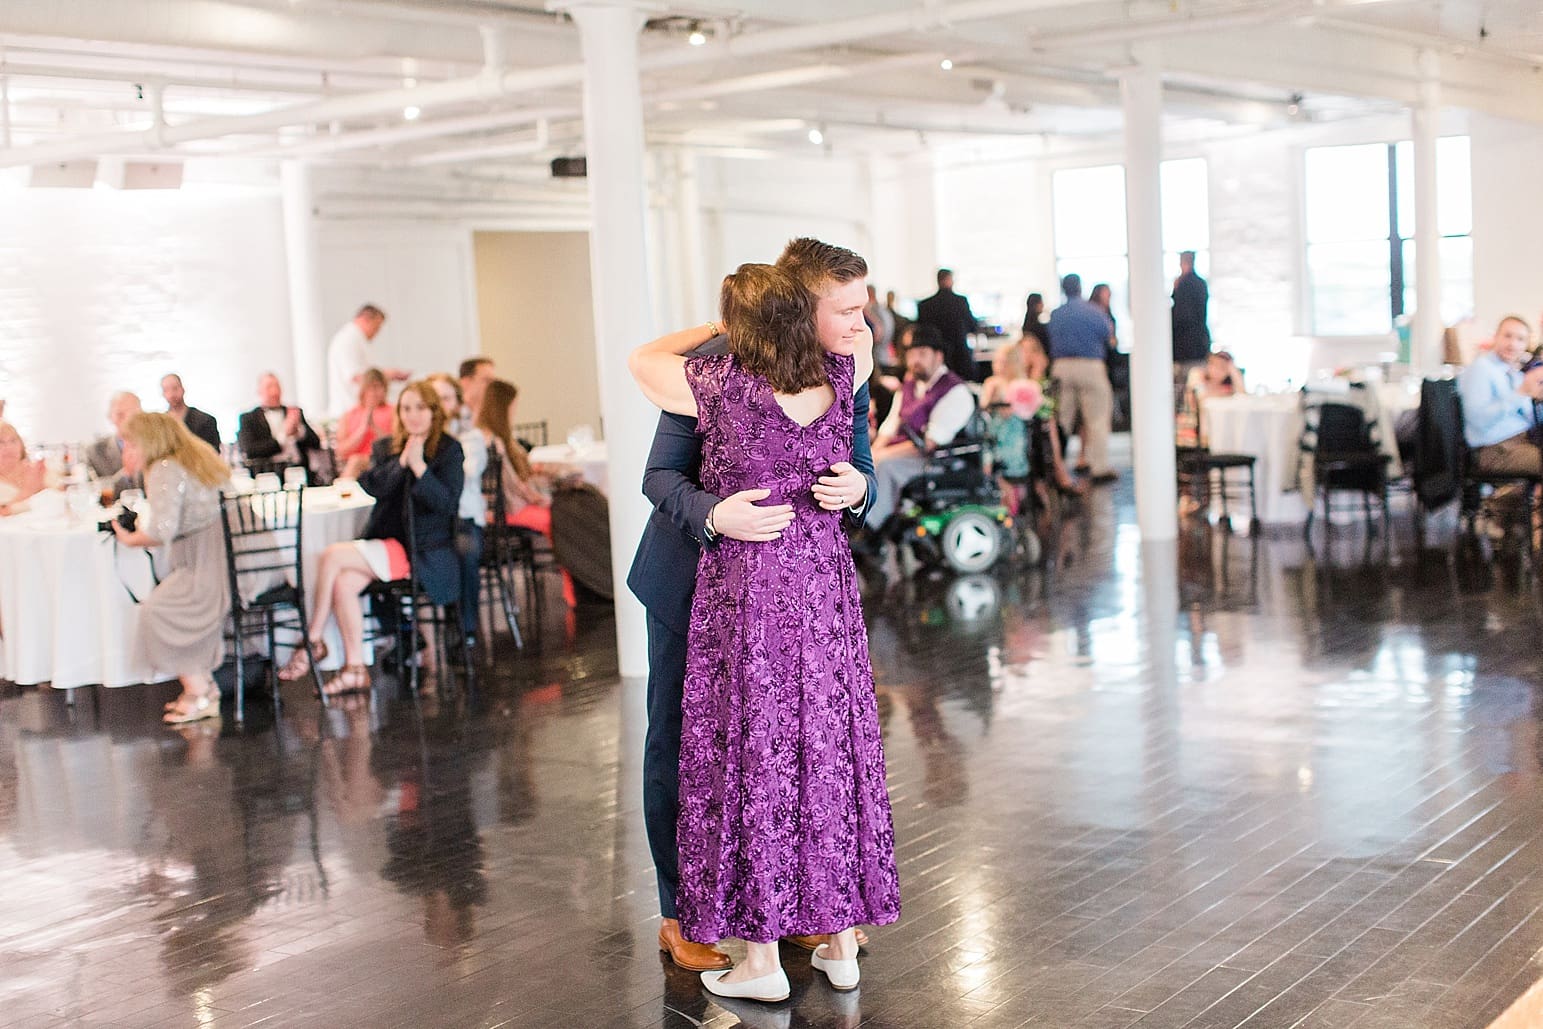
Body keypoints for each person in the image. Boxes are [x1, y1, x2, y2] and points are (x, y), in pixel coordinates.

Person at [629, 262, 899, 1003]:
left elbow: (861, 459)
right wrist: (716, 514)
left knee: (805, 744)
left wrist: (860, 489)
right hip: (695, 581)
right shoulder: (710, 372)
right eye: (844, 308)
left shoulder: (842, 365)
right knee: (687, 744)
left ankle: (804, 907)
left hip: (797, 590)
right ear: (803, 308)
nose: (859, 323)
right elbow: (659, 476)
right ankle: (690, 910)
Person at [279, 381, 465, 695]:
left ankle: (313, 638)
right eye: (406, 408)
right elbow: (371, 486)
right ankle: (354, 668)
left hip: (424, 549)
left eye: (420, 408)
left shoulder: (448, 450)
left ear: (434, 412)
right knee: (343, 583)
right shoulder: (388, 448)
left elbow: (446, 504)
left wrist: (420, 468)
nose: (413, 416)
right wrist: (403, 463)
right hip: (388, 543)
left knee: (332, 556)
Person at [108, 413, 232, 725]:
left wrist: (129, 537)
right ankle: (203, 688)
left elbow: (161, 530)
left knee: (158, 610)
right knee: (168, 604)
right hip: (220, 555)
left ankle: (198, 690)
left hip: (202, 562)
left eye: (131, 443)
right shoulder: (196, 457)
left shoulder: (163, 467)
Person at [476, 378, 576, 609]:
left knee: (564, 514)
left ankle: (574, 583)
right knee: (560, 520)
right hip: (507, 509)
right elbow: (512, 486)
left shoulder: (498, 437)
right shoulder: (493, 442)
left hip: (511, 504)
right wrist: (537, 497)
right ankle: (571, 587)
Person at [866, 323, 975, 531]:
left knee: (886, 467)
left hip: (940, 461)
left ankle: (871, 529)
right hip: (907, 453)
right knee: (866, 462)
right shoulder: (908, 387)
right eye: (911, 354)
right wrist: (872, 454)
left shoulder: (955, 391)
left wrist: (882, 456)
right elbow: (889, 428)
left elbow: (930, 443)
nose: (915, 360)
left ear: (938, 356)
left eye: (922, 354)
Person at [1458, 315, 1543, 531]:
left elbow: (1529, 419)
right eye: (1508, 336)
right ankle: (1502, 508)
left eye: (1520, 339)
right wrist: (1520, 393)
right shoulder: (1481, 370)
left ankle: (1503, 507)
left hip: (1521, 444)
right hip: (1495, 450)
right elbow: (1479, 420)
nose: (1513, 343)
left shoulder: (1513, 373)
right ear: (1495, 337)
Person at [427, 373, 490, 644]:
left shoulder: (470, 437)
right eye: (434, 399)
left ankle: (466, 627)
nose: (440, 405)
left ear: (456, 402)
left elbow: (467, 474)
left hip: (463, 516)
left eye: (445, 398)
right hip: (432, 519)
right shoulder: (423, 439)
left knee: (466, 551)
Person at [1047, 273, 1117, 483]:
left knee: (1061, 420)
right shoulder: (1094, 312)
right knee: (1096, 418)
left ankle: (1057, 467)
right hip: (1090, 365)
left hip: (1061, 367)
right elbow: (1109, 337)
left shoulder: (1057, 314)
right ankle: (1099, 466)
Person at [327, 304, 407, 418]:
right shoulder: (349, 339)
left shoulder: (356, 339)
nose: (376, 332)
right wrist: (387, 375)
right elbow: (356, 376)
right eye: (376, 327)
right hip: (349, 410)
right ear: (365, 319)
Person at [237, 373, 321, 479]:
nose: (274, 392)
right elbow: (250, 451)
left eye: (277, 386)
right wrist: (283, 436)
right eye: (269, 387)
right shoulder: (249, 418)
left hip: (300, 471)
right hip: (269, 474)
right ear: (259, 391)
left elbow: (316, 443)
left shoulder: (294, 412)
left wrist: (299, 431)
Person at [915, 268, 978, 381]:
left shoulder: (925, 305)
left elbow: (921, 334)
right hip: (960, 358)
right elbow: (972, 326)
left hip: (934, 360)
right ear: (949, 280)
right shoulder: (960, 302)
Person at [335, 368, 395, 479]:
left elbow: (396, 444)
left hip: (383, 462)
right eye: (370, 387)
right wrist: (362, 430)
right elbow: (341, 451)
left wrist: (375, 428)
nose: (374, 392)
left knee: (356, 462)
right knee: (354, 461)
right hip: (352, 463)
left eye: (377, 386)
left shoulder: (394, 412)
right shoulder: (349, 415)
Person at [1171, 250, 1211, 379]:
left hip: (1187, 347)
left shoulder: (1184, 284)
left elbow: (1182, 315)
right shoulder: (1201, 283)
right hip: (1198, 344)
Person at [87, 391, 143, 481]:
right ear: (110, 416)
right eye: (120, 415)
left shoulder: (155, 447)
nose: (127, 420)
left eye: (133, 415)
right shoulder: (96, 451)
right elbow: (95, 490)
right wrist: (126, 472)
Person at [161, 374, 221, 452]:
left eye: (175, 388)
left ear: (182, 389)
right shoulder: (160, 425)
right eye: (166, 390)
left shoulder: (205, 421)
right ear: (163, 394)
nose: (171, 394)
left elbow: (213, 454)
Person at [0, 421, 46, 516]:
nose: (9, 447)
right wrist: (28, 491)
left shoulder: (35, 470)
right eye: (1, 442)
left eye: (13, 441)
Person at [458, 357, 497, 428]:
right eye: (487, 380)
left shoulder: (493, 414)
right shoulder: (453, 414)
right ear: (466, 382)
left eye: (493, 381)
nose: (492, 386)